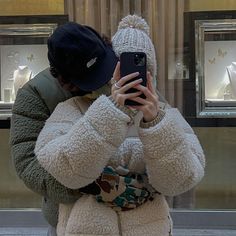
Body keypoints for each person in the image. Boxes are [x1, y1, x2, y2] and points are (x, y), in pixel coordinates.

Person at [33, 15, 205, 236]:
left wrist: (155, 123)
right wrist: (112, 110)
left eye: (142, 70)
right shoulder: (72, 109)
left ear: (151, 73)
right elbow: (67, 171)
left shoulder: (167, 117)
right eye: (122, 68)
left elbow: (179, 182)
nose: (132, 77)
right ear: (110, 70)